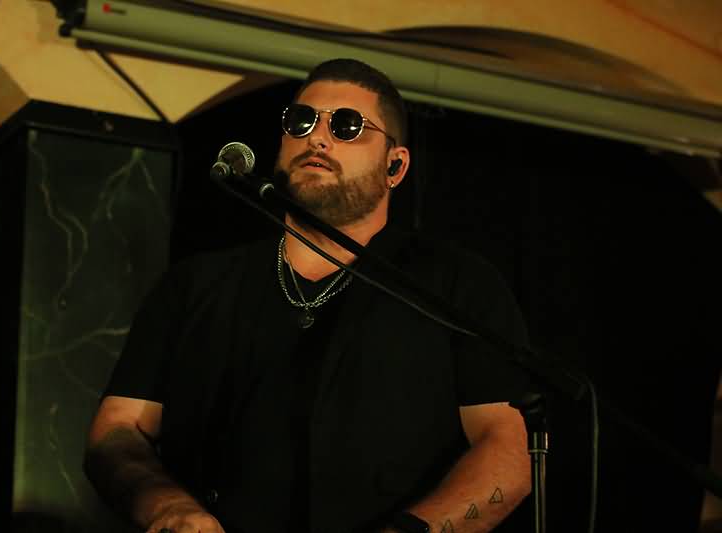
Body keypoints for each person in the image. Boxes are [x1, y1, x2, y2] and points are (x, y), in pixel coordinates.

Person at [83, 58, 533, 533]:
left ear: (395, 166)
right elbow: (117, 429)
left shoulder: (454, 285)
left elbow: (510, 451)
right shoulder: (195, 284)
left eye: (347, 126)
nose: (318, 138)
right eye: (302, 121)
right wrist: (166, 507)